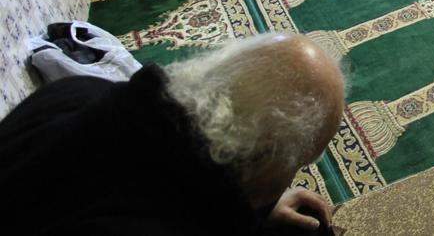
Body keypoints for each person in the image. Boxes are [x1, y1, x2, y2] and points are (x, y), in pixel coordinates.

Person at [0, 32, 345, 235]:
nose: (289, 181)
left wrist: (257, 209)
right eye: (298, 163)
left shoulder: (78, 93)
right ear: (260, 156)